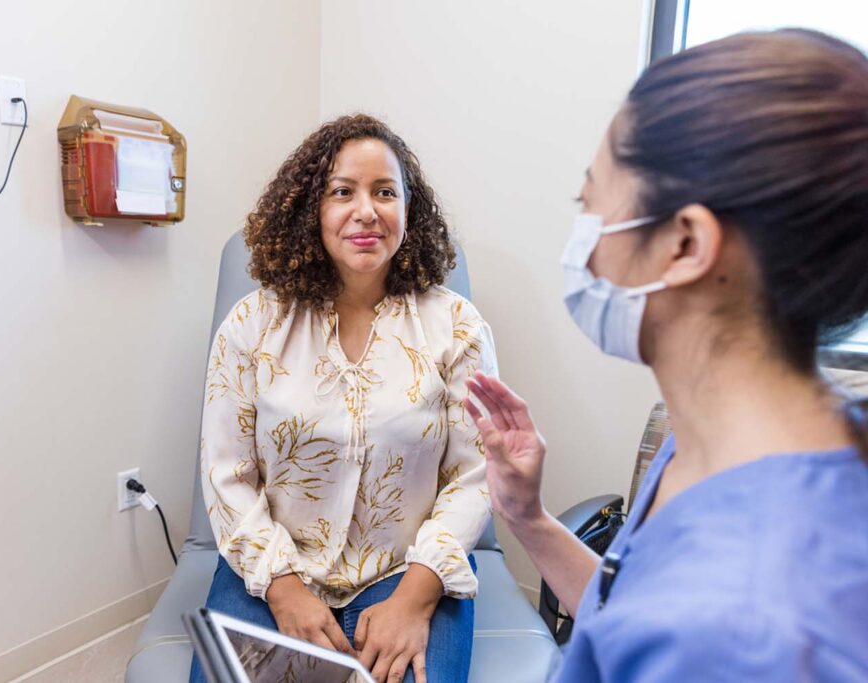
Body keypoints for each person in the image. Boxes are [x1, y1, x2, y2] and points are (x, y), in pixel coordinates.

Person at [467, 29, 868, 681]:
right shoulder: (710, 445)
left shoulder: (751, 630)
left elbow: (684, 633)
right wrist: (528, 518)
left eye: (589, 206)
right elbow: (629, 618)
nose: (581, 245)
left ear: (685, 244)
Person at [193, 114, 497, 683]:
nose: (366, 211)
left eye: (385, 192)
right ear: (311, 208)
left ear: (409, 208)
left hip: (408, 569)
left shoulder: (457, 328)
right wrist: (283, 589)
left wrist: (415, 598)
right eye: (342, 192)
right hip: (272, 568)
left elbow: (476, 474)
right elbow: (226, 473)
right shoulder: (252, 325)